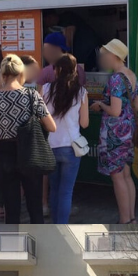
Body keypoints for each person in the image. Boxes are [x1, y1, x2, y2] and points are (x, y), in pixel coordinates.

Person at [0, 55, 56, 224]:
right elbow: (51, 126)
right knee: (35, 207)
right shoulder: (32, 95)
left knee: (11, 209)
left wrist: (1, 132)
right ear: (21, 73)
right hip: (30, 152)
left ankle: (13, 247)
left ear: (3, 74)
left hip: (5, 153)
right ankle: (39, 247)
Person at [90, 39, 138, 225]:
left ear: (114, 56)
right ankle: (131, 217)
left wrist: (101, 104)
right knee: (126, 175)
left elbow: (115, 111)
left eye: (106, 54)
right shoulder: (131, 76)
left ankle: (124, 220)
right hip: (129, 131)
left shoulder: (116, 78)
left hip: (115, 134)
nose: (103, 58)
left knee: (117, 177)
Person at [43, 54, 89, 224]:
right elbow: (84, 123)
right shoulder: (81, 92)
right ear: (75, 70)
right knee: (66, 192)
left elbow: (41, 117)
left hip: (51, 145)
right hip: (71, 147)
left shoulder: (46, 89)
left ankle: (55, 224)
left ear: (57, 70)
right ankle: (61, 226)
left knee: (54, 189)